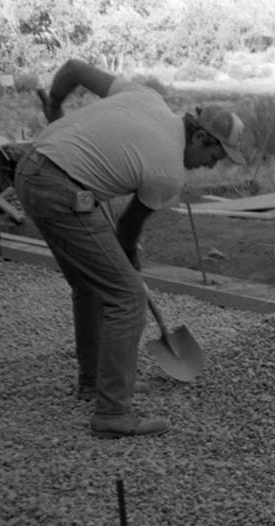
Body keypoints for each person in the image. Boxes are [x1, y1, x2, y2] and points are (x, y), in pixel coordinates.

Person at [15, 59, 247, 438]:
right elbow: (127, 231)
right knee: (126, 298)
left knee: (92, 286)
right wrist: (130, 265)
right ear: (202, 138)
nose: (210, 167)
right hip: (61, 190)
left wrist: (54, 106)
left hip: (31, 170)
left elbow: (73, 69)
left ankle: (95, 382)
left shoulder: (145, 96)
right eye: (215, 157)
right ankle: (112, 413)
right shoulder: (168, 171)